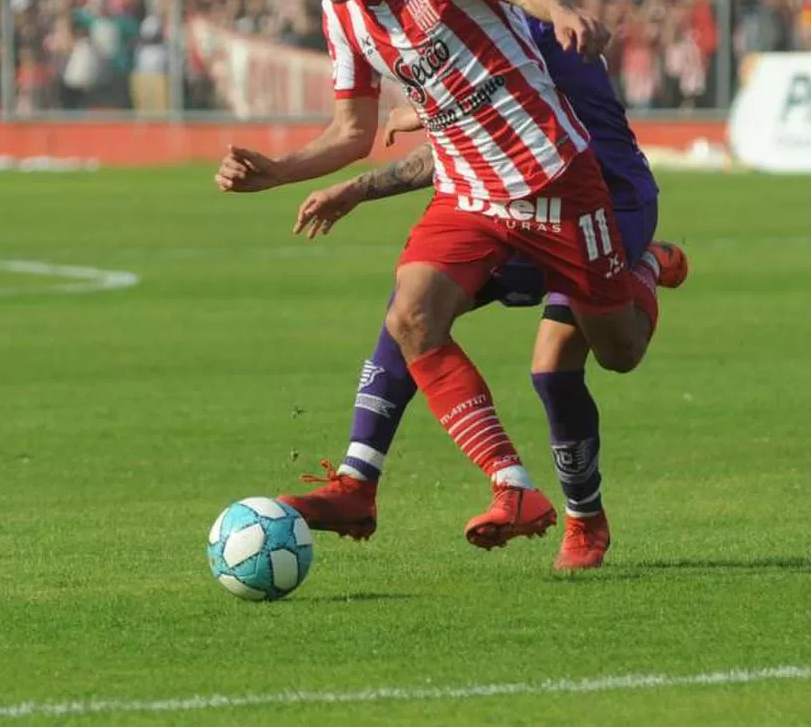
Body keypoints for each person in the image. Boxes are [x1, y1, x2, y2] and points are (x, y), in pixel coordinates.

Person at [216, 0, 668, 552]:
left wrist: (563, 10)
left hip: (562, 188)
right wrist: (278, 172)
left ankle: (651, 268)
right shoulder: (342, 15)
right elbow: (352, 129)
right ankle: (498, 484)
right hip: (469, 197)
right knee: (409, 314)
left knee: (614, 353)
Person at [280, 33, 686, 571]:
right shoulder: (469, 29)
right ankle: (358, 481)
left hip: (597, 207)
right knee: (411, 313)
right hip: (506, 206)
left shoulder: (521, 34)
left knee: (584, 361)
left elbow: (505, 135)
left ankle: (586, 516)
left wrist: (419, 121)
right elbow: (472, 145)